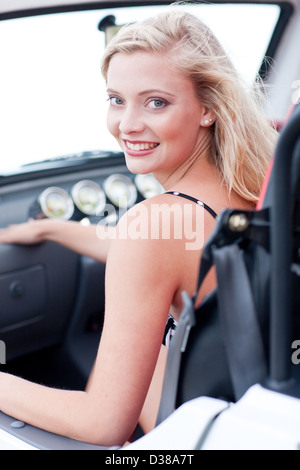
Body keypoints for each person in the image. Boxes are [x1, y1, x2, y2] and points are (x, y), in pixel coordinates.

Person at [0, 9, 277, 446]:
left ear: (207, 108)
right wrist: (53, 231)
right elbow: (164, 251)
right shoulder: (256, 187)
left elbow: (101, 424)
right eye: (116, 99)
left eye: (156, 102)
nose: (127, 125)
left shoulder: (151, 227)